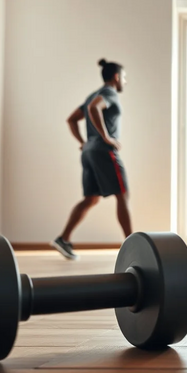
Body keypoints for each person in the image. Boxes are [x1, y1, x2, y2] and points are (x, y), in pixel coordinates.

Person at [51, 59, 133, 260]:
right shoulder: (109, 93)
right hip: (103, 151)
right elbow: (94, 109)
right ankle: (133, 245)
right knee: (122, 194)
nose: (125, 81)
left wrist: (83, 142)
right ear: (116, 77)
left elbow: (72, 119)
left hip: (89, 151)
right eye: (124, 77)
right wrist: (106, 137)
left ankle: (64, 238)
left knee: (91, 198)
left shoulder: (91, 95)